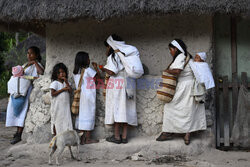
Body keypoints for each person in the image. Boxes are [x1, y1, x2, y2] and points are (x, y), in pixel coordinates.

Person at [156, 39, 206, 145]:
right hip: (190, 87)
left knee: (170, 108)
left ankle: (167, 132)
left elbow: (177, 71)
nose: (170, 52)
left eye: (171, 50)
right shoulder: (187, 56)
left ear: (176, 49)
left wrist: (165, 71)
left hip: (184, 86)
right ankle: (187, 135)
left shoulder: (180, 57)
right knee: (188, 111)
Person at [6, 46, 44, 144]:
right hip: (18, 92)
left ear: (36, 55)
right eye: (28, 53)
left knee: (22, 112)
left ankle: (19, 133)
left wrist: (35, 63)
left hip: (26, 92)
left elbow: (41, 72)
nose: (28, 55)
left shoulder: (37, 65)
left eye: (31, 53)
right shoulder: (25, 65)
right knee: (15, 110)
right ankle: (17, 132)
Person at [103, 34, 138, 144]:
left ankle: (117, 137)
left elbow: (112, 72)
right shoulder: (127, 54)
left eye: (108, 46)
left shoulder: (114, 56)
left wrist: (102, 67)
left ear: (111, 45)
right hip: (129, 83)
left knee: (117, 109)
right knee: (126, 109)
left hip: (117, 85)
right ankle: (124, 136)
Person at [73, 51, 100, 144]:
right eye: (88, 58)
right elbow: (98, 79)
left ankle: (81, 138)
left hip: (80, 96)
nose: (89, 60)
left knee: (81, 116)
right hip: (88, 97)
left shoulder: (75, 72)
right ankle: (88, 138)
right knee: (89, 115)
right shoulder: (89, 70)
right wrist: (96, 68)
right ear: (84, 60)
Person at [50, 63, 73, 136]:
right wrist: (62, 90)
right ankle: (55, 138)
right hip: (57, 107)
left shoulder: (67, 83)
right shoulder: (55, 83)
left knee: (66, 121)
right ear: (56, 74)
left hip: (65, 107)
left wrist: (66, 82)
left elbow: (70, 91)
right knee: (57, 121)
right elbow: (53, 94)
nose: (62, 74)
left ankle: (65, 139)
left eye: (63, 72)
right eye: (59, 73)